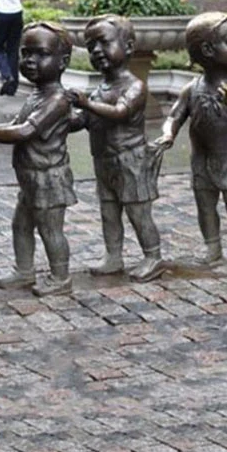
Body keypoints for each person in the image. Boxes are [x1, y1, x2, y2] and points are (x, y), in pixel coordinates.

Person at [0, 22, 77, 297]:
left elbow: (26, 130)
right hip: (30, 177)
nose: (30, 61)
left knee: (50, 230)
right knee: (21, 225)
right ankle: (24, 271)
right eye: (25, 53)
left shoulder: (57, 99)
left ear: (63, 62)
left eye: (40, 54)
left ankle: (60, 277)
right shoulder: (36, 94)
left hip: (48, 176)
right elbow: (18, 121)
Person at [154, 12, 227, 274]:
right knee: (205, 207)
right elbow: (175, 115)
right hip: (202, 160)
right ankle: (212, 248)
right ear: (208, 50)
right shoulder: (192, 89)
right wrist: (168, 133)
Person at [69, 15, 165, 283]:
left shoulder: (135, 86)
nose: (97, 51)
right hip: (103, 160)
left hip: (130, 160)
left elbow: (120, 112)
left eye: (104, 43)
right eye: (90, 47)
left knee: (138, 212)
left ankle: (153, 256)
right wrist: (65, 118)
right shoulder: (100, 89)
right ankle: (113, 255)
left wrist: (87, 105)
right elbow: (85, 120)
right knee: (108, 211)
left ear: (129, 47)